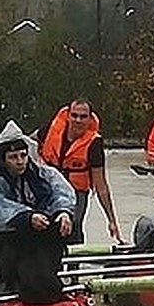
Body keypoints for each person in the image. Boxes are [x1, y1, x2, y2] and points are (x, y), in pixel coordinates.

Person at [0, 121, 77, 304]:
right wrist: (26, 217)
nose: (20, 161)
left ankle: (46, 285)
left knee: (60, 232)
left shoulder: (42, 174)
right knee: (23, 243)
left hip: (35, 232)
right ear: (2, 158)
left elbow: (61, 191)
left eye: (23, 155)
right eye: (13, 157)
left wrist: (63, 212)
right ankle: (13, 286)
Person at [38, 98, 120, 243]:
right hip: (48, 187)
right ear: (68, 116)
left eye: (83, 117)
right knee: (44, 226)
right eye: (74, 115)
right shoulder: (51, 130)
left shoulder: (94, 144)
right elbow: (27, 143)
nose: (78, 120)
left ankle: (73, 264)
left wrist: (111, 220)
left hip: (77, 192)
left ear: (90, 119)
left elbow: (101, 186)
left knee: (72, 227)